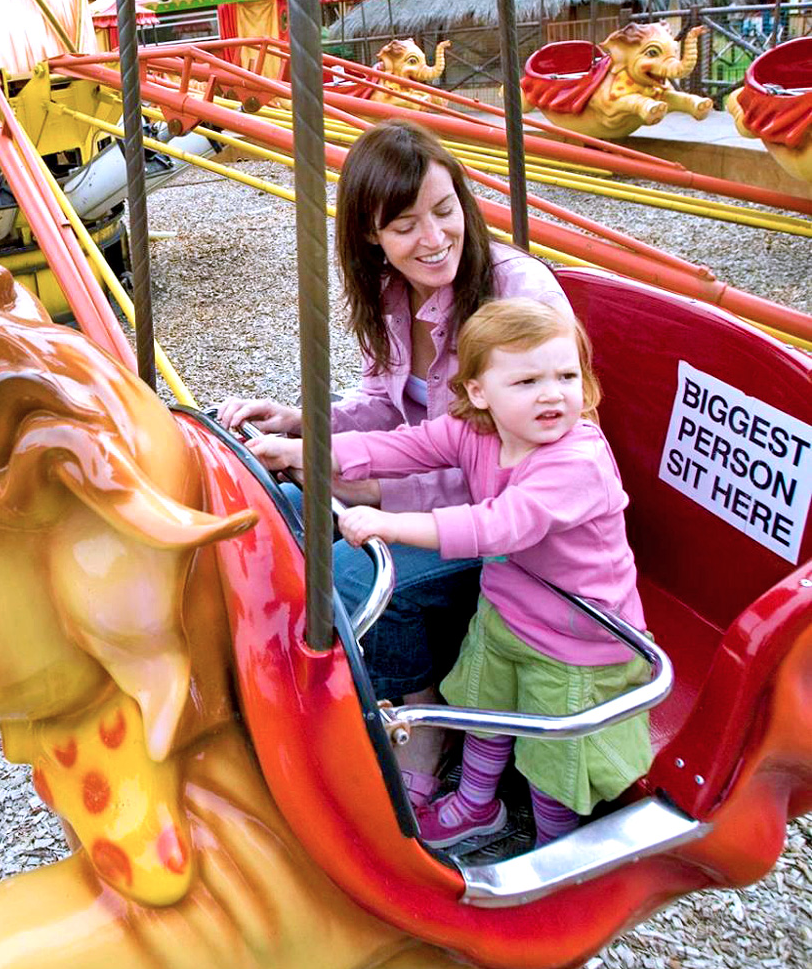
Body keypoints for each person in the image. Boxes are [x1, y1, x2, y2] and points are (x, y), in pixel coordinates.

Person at [218, 119, 569, 815]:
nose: (434, 239)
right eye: (405, 225)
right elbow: (384, 400)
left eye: (444, 213)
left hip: (508, 516)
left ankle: (421, 713)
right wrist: (302, 424)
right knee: (271, 520)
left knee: (343, 577)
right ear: (371, 235)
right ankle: (356, 691)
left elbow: (509, 453)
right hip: (430, 491)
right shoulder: (391, 293)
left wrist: (374, 488)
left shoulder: (512, 295)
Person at [254, 298, 654, 850]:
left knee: (551, 759)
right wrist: (302, 449)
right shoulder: (477, 431)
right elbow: (398, 447)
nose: (552, 393)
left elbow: (500, 526)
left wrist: (393, 525)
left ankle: (557, 845)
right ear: (478, 392)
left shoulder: (577, 460)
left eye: (567, 375)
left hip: (575, 641)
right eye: (528, 380)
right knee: (483, 711)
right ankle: (475, 805)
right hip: (508, 610)